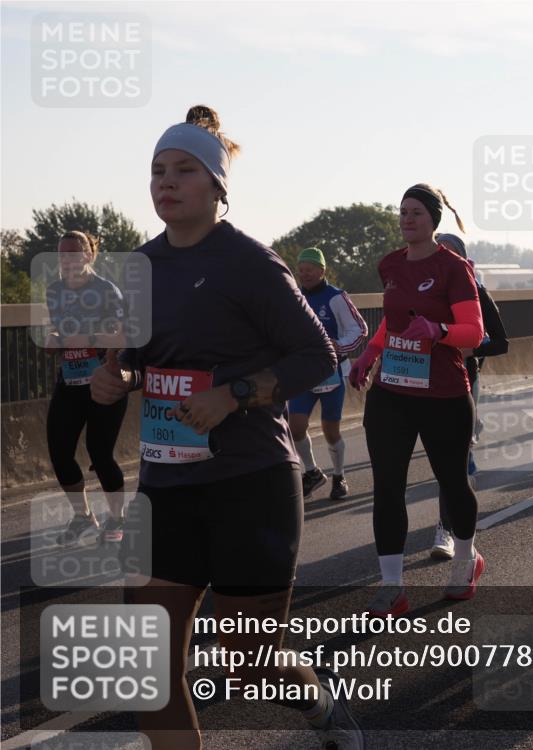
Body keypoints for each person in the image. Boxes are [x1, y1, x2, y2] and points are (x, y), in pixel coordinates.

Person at [90, 105, 363, 750]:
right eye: (157, 170)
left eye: (184, 169)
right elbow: (136, 359)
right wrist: (118, 381)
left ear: (217, 185)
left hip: (250, 480)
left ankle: (320, 706)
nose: (166, 181)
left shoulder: (249, 263)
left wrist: (235, 394)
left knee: (252, 664)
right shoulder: (141, 267)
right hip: (167, 483)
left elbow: (318, 356)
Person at [348, 184, 485, 616]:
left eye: (416, 213)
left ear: (433, 220)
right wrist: (370, 353)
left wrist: (439, 331)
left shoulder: (453, 268)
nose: (407, 219)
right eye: (402, 212)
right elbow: (392, 321)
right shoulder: (390, 264)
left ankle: (466, 559)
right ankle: (393, 586)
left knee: (452, 482)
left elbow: (474, 332)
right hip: (391, 391)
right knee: (387, 488)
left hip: (443, 393)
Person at [44, 230, 129, 546]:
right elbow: (56, 330)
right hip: (70, 381)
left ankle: (117, 518)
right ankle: (83, 517)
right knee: (59, 451)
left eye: (74, 254)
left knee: (100, 451)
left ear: (89, 256)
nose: (67, 261)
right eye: (62, 255)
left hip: (104, 381)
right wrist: (54, 340)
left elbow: (122, 337)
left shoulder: (106, 291)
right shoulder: (54, 291)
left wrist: (87, 339)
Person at [430, 232, 509, 560]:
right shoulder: (419, 287)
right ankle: (462, 503)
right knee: (447, 463)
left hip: (462, 384)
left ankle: (446, 529)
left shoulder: (476, 290)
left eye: (449, 253)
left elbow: (500, 342)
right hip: (421, 383)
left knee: (454, 460)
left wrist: (467, 346)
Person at [288, 247, 368, 501]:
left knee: (330, 430)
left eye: (309, 270)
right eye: (300, 271)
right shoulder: (295, 296)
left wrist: (338, 345)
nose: (304, 275)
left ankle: (339, 475)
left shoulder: (336, 297)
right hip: (303, 372)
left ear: (321, 270)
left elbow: (360, 329)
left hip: (331, 373)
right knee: (295, 426)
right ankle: (311, 471)